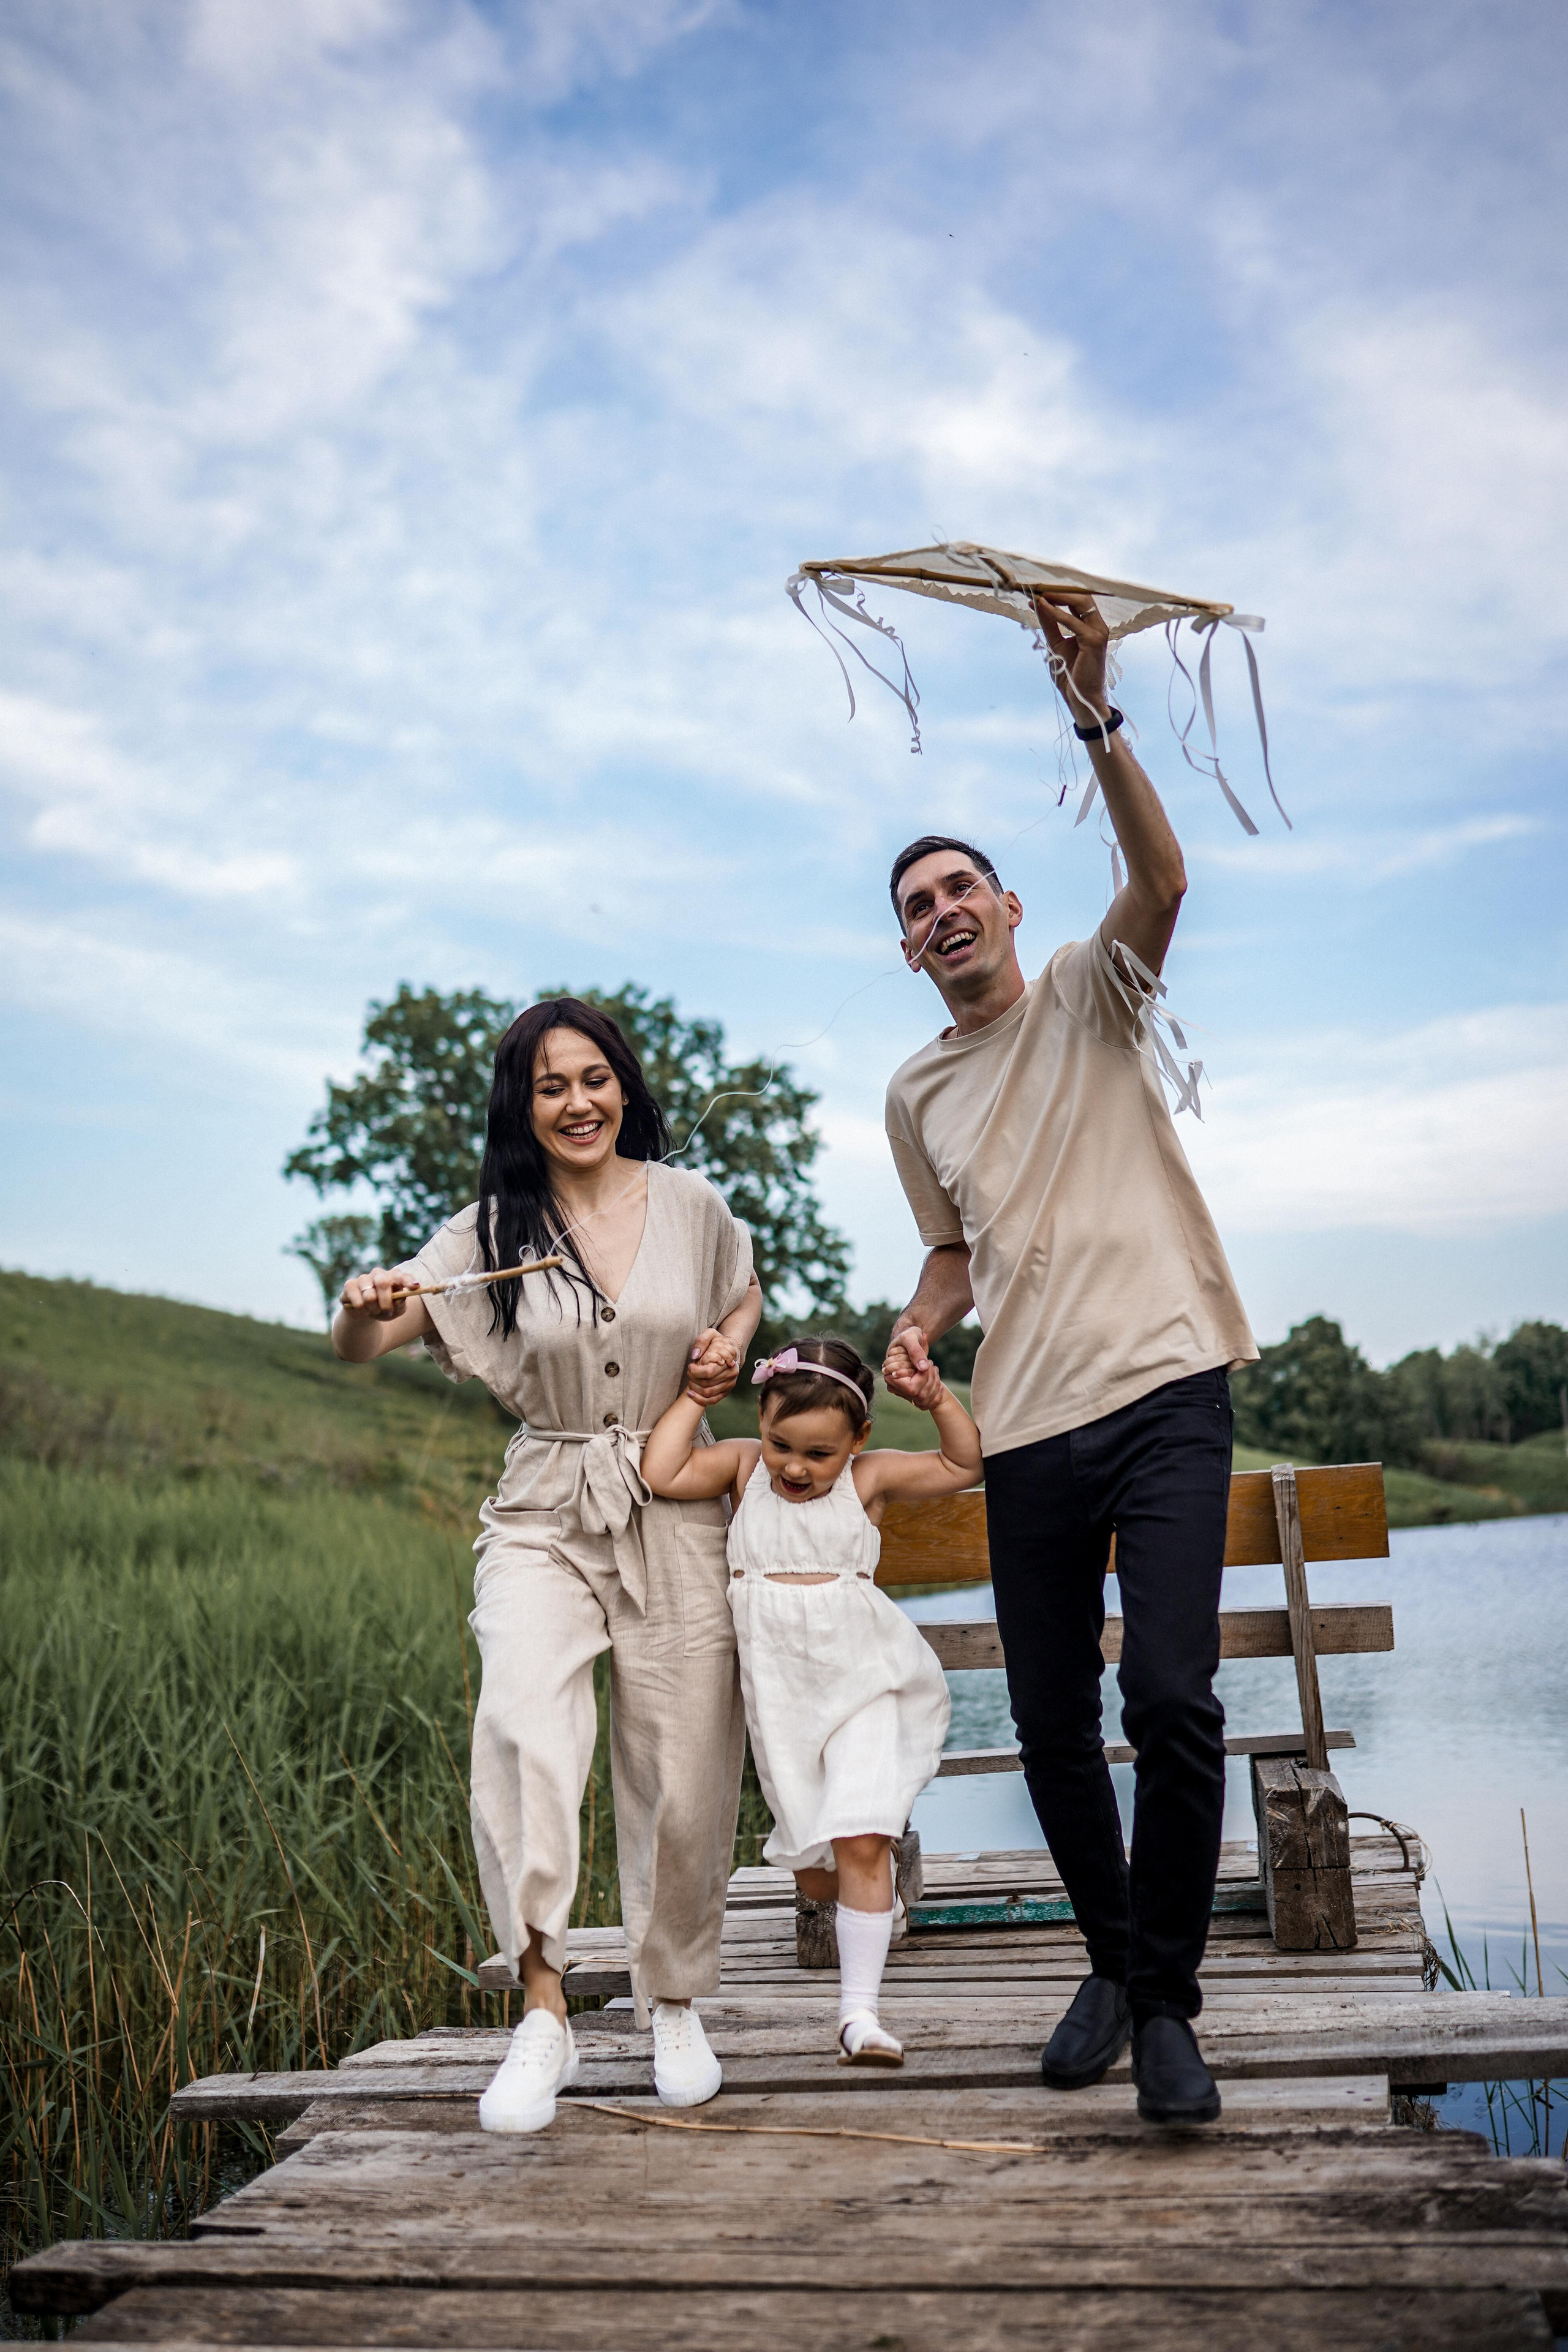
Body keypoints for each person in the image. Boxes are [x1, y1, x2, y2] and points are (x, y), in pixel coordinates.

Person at [879, 588, 1258, 2127]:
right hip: (1025, 1422)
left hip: (1165, 1381)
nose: (942, 911)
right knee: (1046, 1722)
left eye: (961, 885)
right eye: (915, 906)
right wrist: (918, 1322)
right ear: (906, 951)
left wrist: (1090, 709)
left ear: (1012, 908)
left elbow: (1161, 872)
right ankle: (1110, 1956)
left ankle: (1160, 2000)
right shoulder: (914, 1096)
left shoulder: (1095, 995)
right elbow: (955, 1252)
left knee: (1165, 1695)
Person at [333, 998, 761, 2133]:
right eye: (550, 1087)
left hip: (676, 1498)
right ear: (522, 1107)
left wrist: (732, 1348)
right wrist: (361, 1304)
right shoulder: (488, 1231)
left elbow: (739, 1291)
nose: (577, 1103)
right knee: (522, 1729)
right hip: (542, 1509)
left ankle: (670, 1997)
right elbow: (369, 1342)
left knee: (681, 1759)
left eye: (594, 1079)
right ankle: (543, 2011)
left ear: (624, 1085)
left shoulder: (692, 1204)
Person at [643, 1335, 977, 2064]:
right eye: (780, 1444)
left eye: (818, 1454)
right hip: (783, 1696)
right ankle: (874, 1901)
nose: (795, 1467)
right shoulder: (739, 1469)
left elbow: (964, 1462)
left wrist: (935, 1397)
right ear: (759, 1425)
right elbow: (662, 1470)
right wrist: (698, 1399)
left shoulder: (869, 1479)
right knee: (812, 1866)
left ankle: (859, 2017)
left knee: (861, 1835)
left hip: (865, 1682)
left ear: (858, 1439)